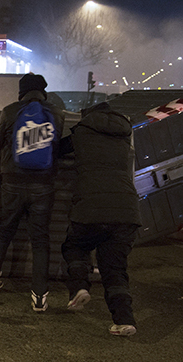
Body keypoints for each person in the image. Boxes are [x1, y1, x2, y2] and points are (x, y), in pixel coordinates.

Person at [0, 73, 65, 312]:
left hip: (12, 182)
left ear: (21, 91)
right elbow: (55, 148)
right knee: (40, 239)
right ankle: (39, 296)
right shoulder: (57, 114)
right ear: (43, 91)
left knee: (5, 229)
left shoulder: (9, 111)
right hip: (43, 185)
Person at [60, 102, 141, 336]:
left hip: (92, 206)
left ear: (86, 117)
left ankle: (79, 288)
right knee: (115, 269)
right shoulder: (124, 133)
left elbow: (56, 150)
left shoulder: (82, 131)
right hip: (127, 208)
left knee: (74, 246)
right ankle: (124, 321)